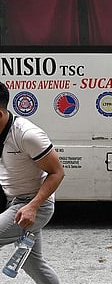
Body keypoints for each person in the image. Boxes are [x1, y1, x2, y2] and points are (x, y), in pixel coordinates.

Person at [0, 81, 65, 284]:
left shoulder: (27, 134)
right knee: (33, 264)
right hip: (11, 201)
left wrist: (32, 207)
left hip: (34, 205)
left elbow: (57, 173)